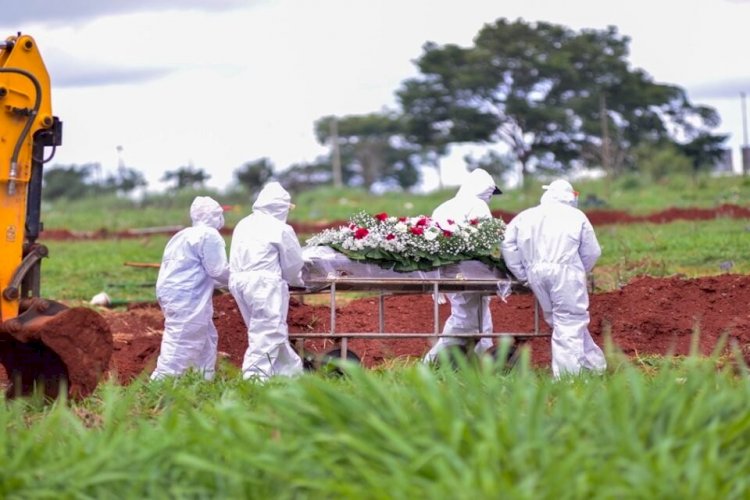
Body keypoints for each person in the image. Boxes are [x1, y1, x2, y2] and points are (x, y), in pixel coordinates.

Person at [501, 179, 606, 378]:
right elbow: (592, 251)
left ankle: (593, 365)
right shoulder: (576, 216)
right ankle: (568, 377)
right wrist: (578, 271)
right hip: (565, 272)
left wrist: (523, 274)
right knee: (570, 321)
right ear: (569, 196)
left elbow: (508, 245)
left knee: (560, 322)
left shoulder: (525, 216)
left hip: (535, 273)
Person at [423, 168, 503, 364]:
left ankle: (481, 360)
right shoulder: (478, 205)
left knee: (479, 316)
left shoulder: (443, 206)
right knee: (466, 321)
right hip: (469, 271)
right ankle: (432, 362)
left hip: (445, 270)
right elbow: (487, 239)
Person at [228, 181, 304, 382]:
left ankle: (290, 375)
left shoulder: (243, 223)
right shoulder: (280, 228)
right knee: (268, 332)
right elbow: (293, 263)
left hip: (239, 281)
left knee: (268, 330)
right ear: (282, 207)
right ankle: (254, 380)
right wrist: (298, 281)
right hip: (263, 284)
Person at [151, 196, 230, 381]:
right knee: (182, 340)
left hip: (173, 293)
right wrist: (240, 279)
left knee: (206, 337)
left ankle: (203, 379)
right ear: (214, 215)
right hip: (188, 296)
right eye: (219, 215)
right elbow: (218, 270)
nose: (221, 219)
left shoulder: (182, 235)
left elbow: (201, 270)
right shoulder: (209, 235)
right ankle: (161, 383)